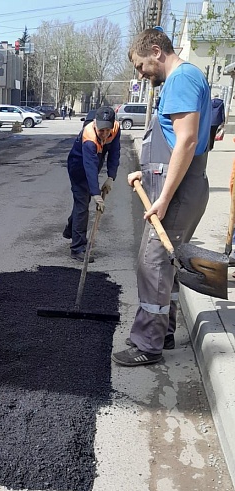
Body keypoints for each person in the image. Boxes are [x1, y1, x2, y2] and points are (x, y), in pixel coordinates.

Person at [112, 28, 211, 367]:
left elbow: (186, 141)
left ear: (156, 51)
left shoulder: (181, 79)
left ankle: (148, 344)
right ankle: (163, 332)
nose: (140, 73)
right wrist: (149, 173)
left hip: (180, 195)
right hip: (178, 187)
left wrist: (164, 197)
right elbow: (174, 146)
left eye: (140, 65)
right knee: (165, 265)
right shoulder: (182, 80)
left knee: (152, 264)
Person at [63, 106, 120, 262]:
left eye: (107, 130)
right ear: (95, 123)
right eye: (101, 130)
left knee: (81, 204)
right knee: (82, 205)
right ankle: (77, 248)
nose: (104, 133)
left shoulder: (115, 129)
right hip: (79, 166)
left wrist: (111, 177)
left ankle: (71, 230)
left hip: (95, 162)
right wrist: (96, 193)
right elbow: (89, 167)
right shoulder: (89, 138)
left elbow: (114, 153)